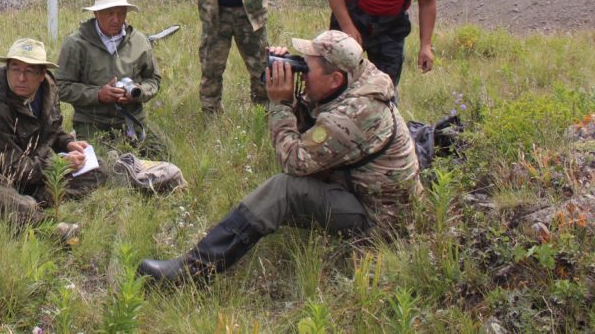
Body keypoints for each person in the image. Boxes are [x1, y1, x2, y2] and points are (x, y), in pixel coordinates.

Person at [137, 30, 422, 283]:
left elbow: (294, 161)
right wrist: (285, 71)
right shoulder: (356, 75)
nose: (300, 70)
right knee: (283, 187)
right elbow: (318, 115)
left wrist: (281, 103)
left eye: (304, 68)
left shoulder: (356, 113)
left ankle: (195, 270)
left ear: (335, 78)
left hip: (379, 221)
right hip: (362, 191)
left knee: (283, 189)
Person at [0, 38, 103, 234]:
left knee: (97, 167)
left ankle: (26, 206)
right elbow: (14, 169)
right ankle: (45, 227)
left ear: (41, 75)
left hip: (39, 171)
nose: (20, 78)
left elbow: (53, 130)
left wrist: (67, 144)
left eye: (29, 71)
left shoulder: (48, 91)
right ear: (7, 69)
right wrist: (59, 165)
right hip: (5, 177)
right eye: (15, 69)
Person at [53, 0, 165, 157]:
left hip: (133, 119)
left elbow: (153, 79)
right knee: (104, 165)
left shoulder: (140, 41)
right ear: (96, 13)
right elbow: (60, 87)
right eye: (109, 13)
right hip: (92, 122)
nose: (116, 19)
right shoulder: (76, 44)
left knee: (164, 154)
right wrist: (98, 94)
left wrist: (138, 92)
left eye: (121, 13)